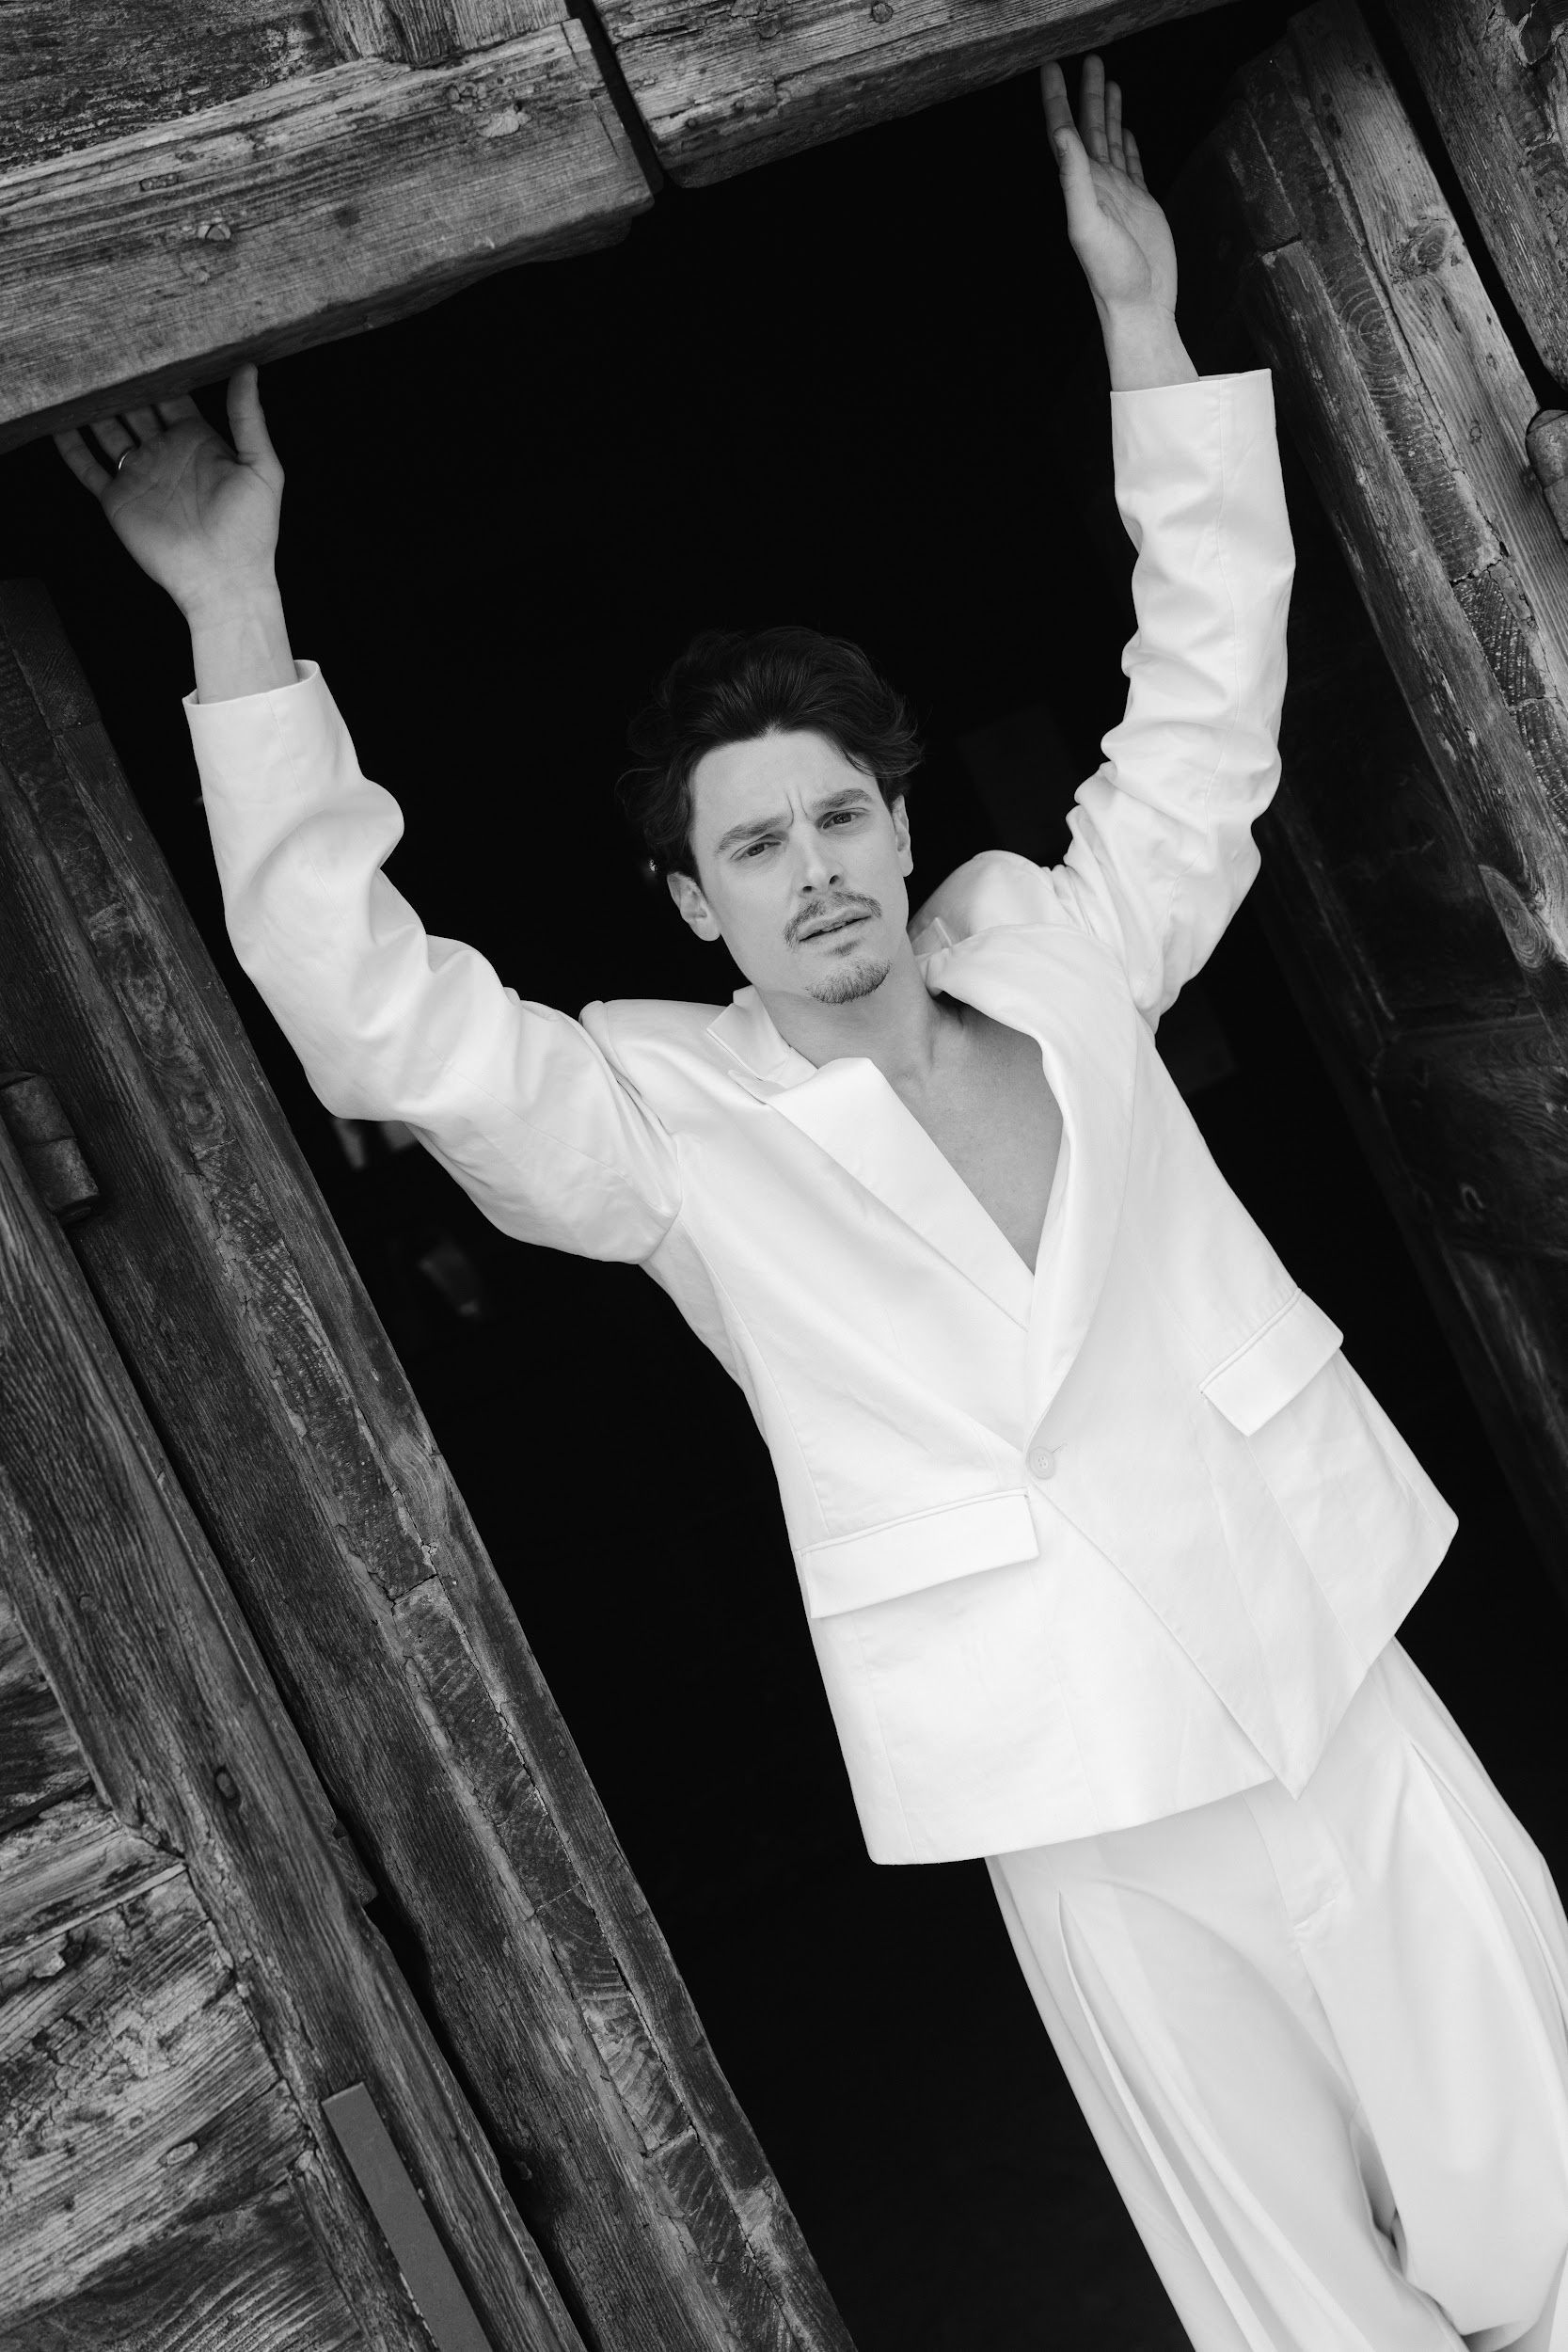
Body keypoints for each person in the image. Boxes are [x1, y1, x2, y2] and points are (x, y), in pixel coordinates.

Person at [55, 55, 1568, 2352]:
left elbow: (1207, 707)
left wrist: (1143, 326)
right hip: (1075, 1783)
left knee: (1549, 2169)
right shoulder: (662, 1125)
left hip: (1328, 1666)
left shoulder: (1058, 949)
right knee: (1300, 2300)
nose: (818, 868)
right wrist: (233, 612)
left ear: (899, 817)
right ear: (694, 900)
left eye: (842, 814)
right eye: (755, 845)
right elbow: (374, 1017)